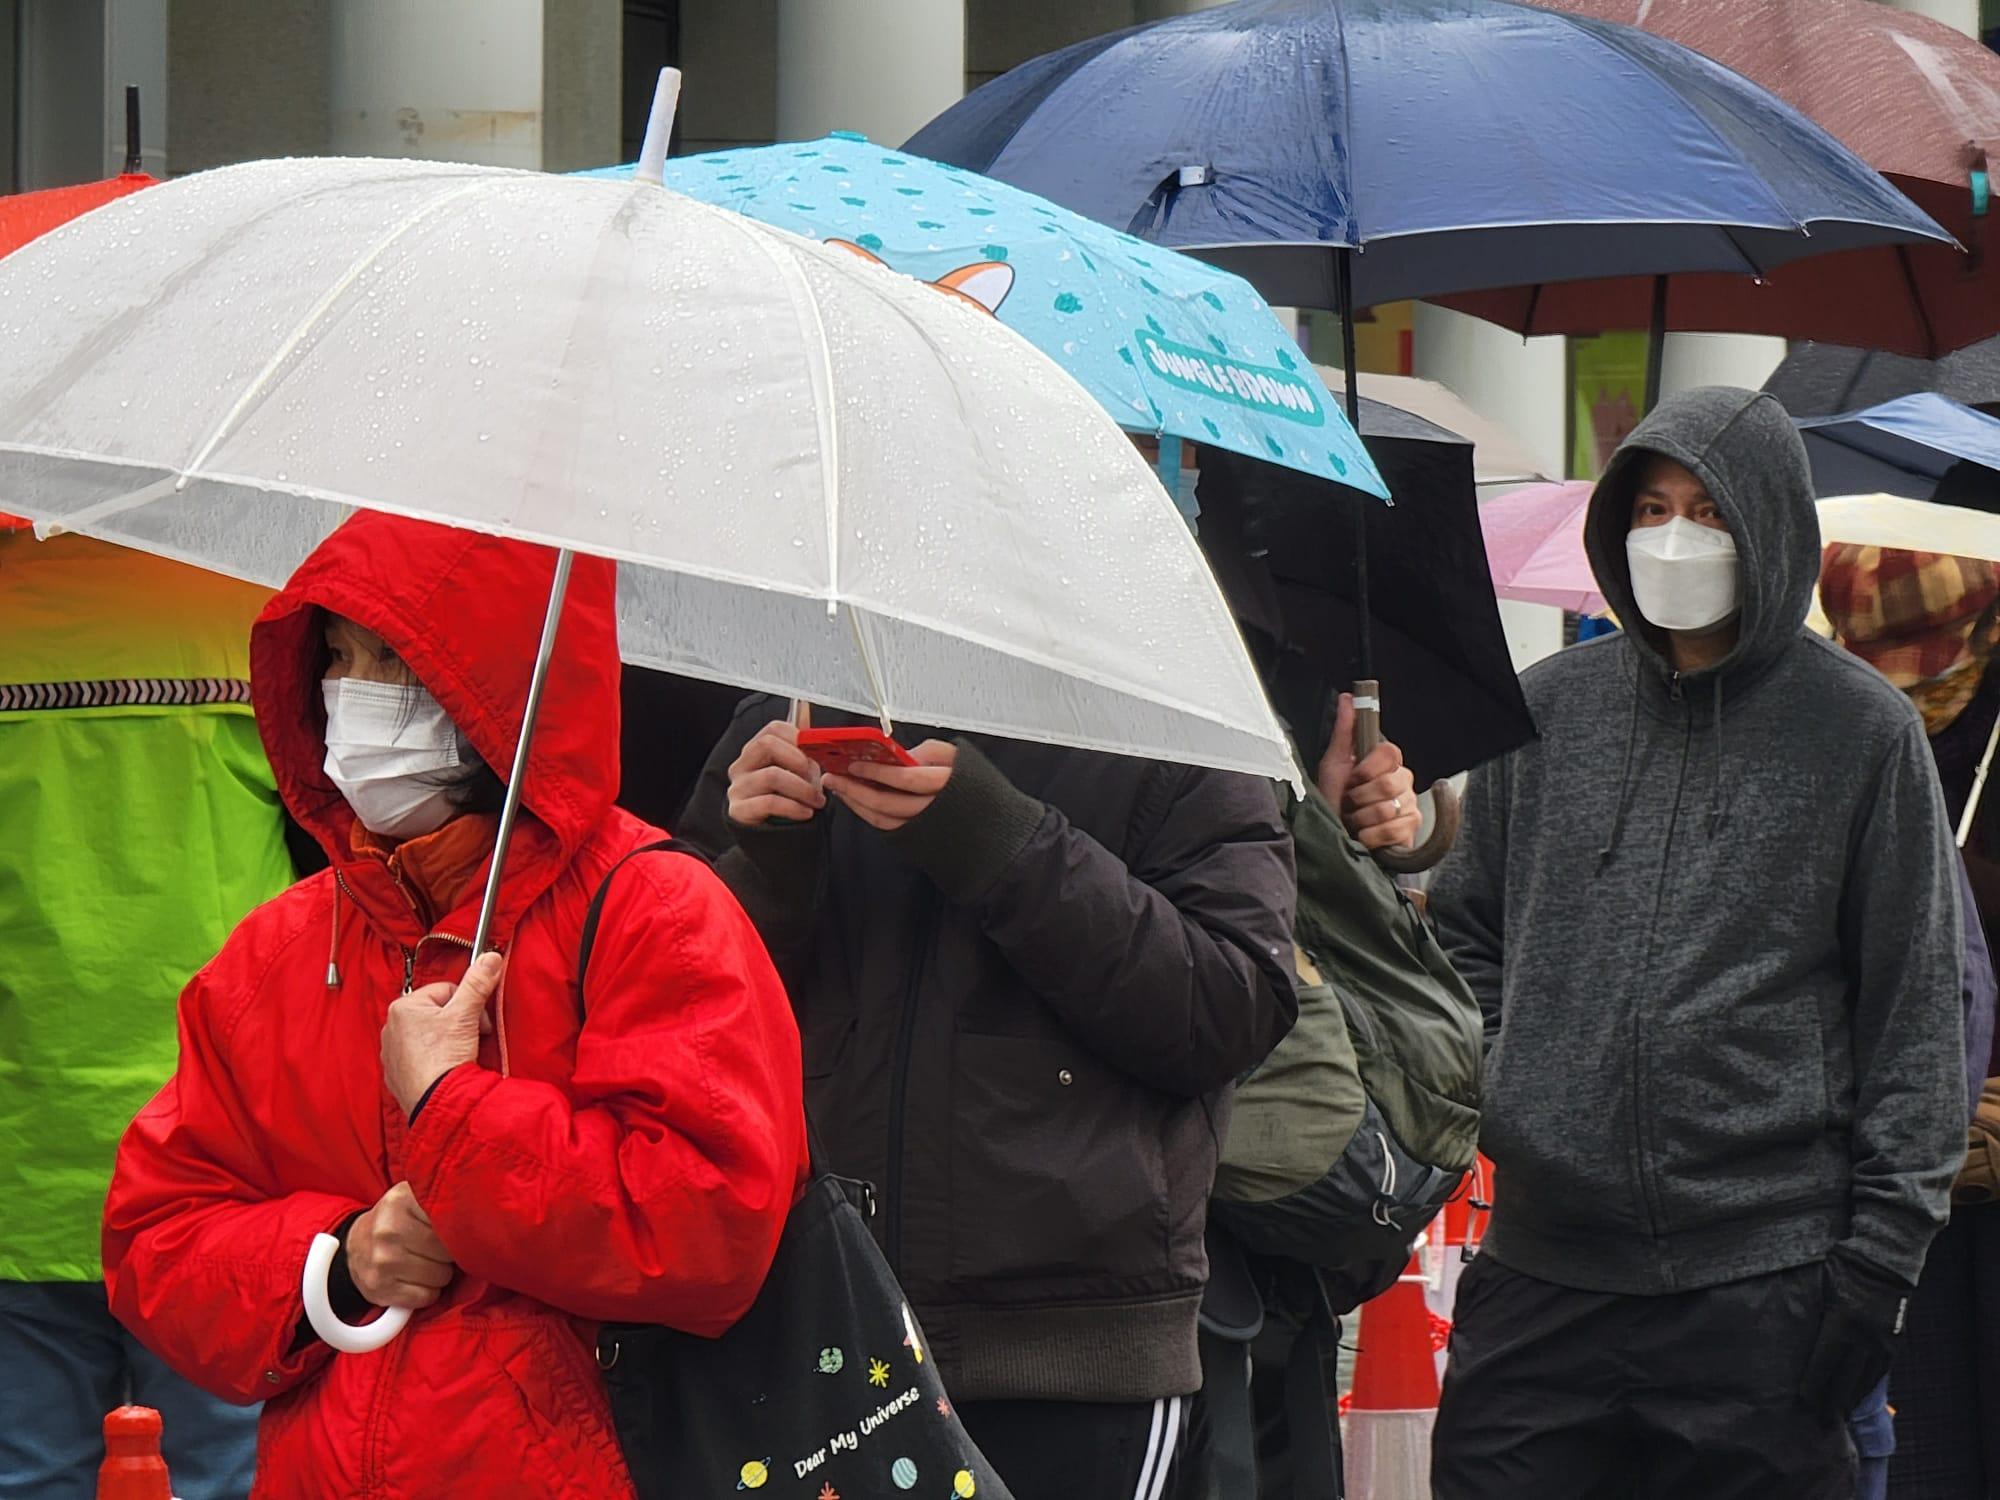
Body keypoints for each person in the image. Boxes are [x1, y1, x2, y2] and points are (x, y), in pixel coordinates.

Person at [101, 512, 808, 1499]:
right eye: (336, 657)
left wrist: (452, 1112)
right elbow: (157, 1234)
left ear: (495, 680)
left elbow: (710, 1230)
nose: (352, 696)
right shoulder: (280, 949)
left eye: (393, 660)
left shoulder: (658, 911)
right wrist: (336, 1265)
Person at [1430, 387, 1967, 1498]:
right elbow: (1464, 936)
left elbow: (1914, 1012)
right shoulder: (1542, 712)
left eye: (1707, 512)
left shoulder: (1860, 732)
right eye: (1650, 507)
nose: (1672, 538)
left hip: (1761, 1284)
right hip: (1542, 1274)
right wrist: (1513, 1073)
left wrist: (1874, 1270)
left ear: (1765, 525)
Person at [678, 673, 1315, 1500]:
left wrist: (1000, 840)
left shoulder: (1172, 715)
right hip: (815, 1332)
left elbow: (1230, 1009)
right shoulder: (796, 696)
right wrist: (764, 870)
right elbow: (672, 1015)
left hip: (1067, 1358)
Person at [0, 520, 293, 1499]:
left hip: (24, 1160)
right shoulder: (250, 617)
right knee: (224, 1469)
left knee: (33, 1472)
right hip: (223, 1150)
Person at [1819, 543, 2000, 1498]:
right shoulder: (1837, 724)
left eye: (1931, 662)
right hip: (1888, 1149)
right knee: (1908, 1436)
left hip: (1988, 1131)